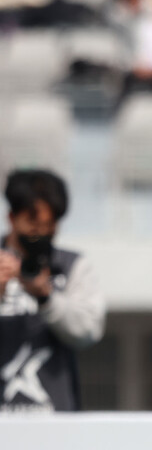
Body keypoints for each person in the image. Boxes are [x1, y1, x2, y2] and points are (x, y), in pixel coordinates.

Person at [0, 170, 106, 412]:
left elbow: (88, 331)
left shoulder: (71, 266)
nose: (41, 234)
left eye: (50, 226)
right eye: (33, 224)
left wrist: (46, 297)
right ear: (11, 217)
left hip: (56, 422)